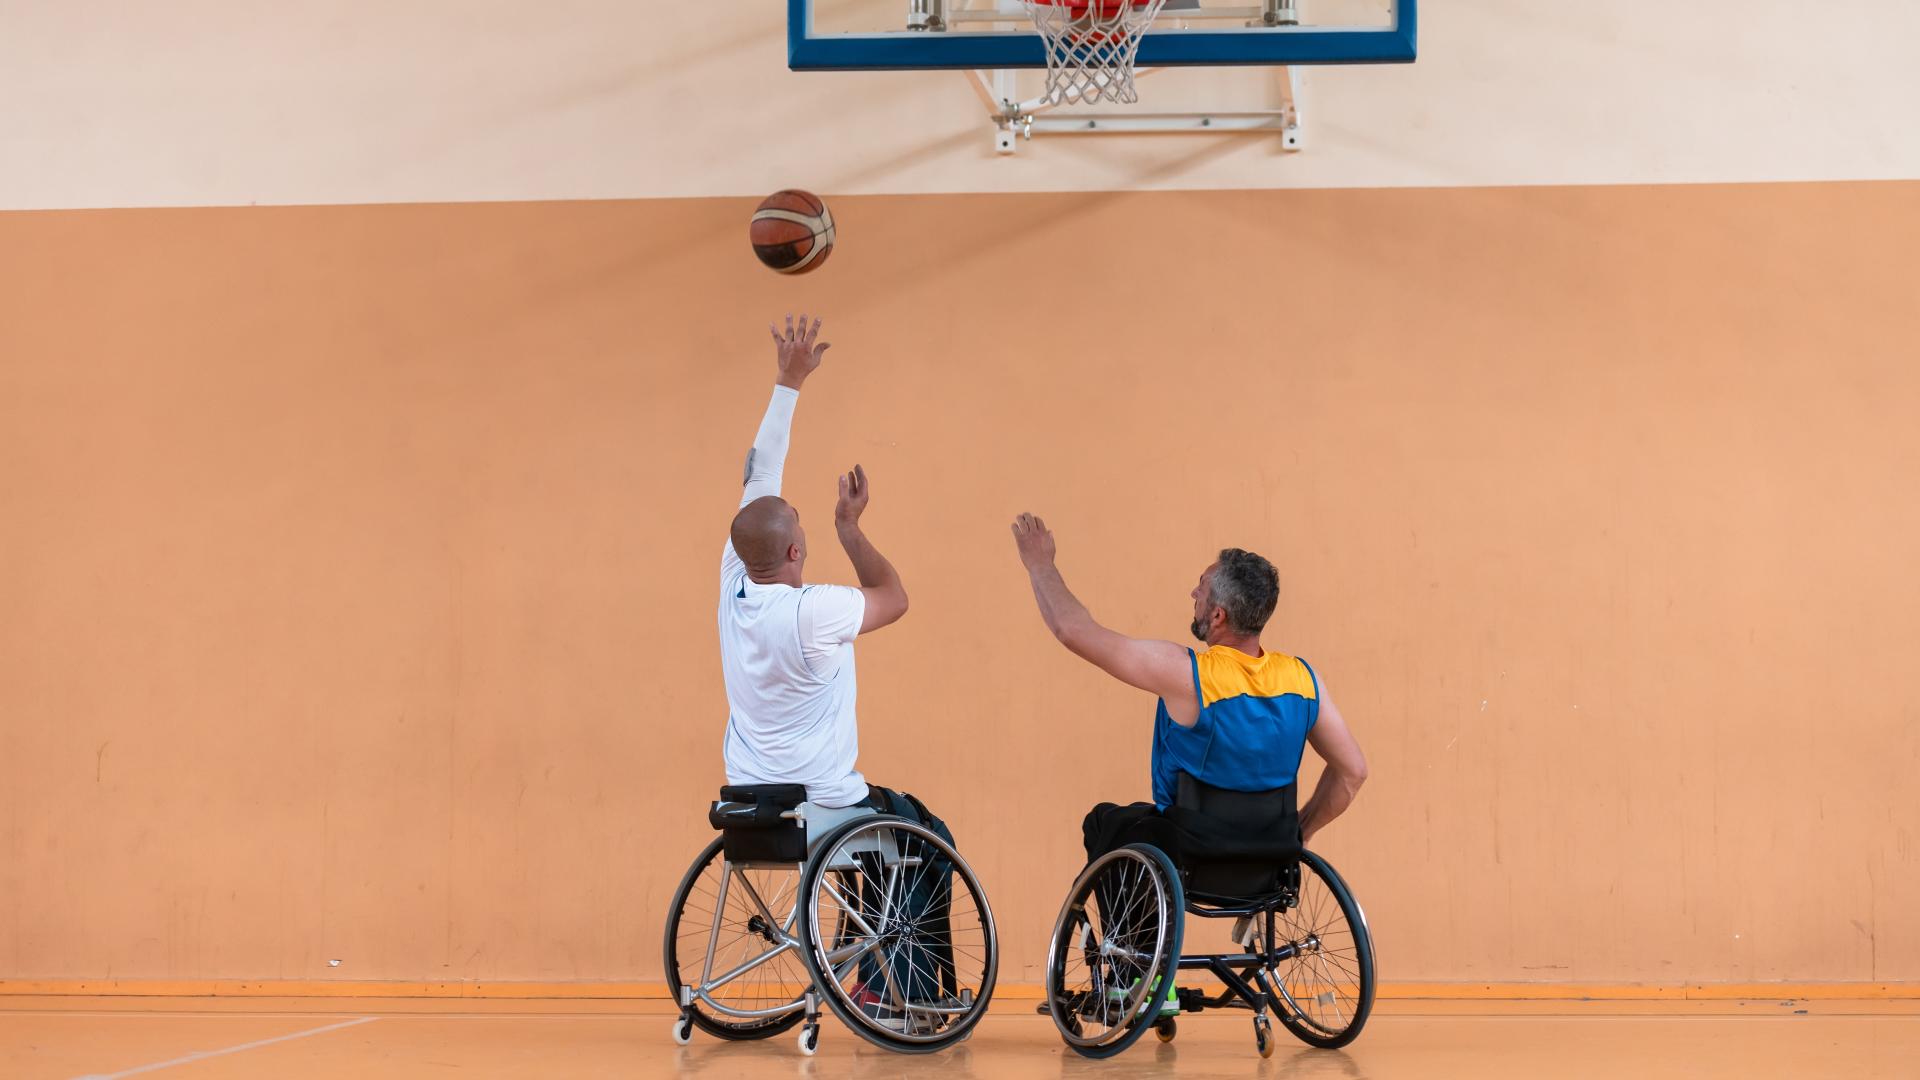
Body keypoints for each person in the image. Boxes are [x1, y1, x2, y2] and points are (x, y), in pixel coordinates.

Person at [717, 313, 954, 1021]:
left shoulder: (733, 582)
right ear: (795, 553)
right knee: (924, 834)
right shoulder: (813, 611)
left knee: (874, 833)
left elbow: (760, 472)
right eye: (803, 524)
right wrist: (852, 530)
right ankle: (894, 989)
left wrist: (788, 383)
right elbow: (896, 598)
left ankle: (863, 953)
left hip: (749, 804)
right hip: (823, 808)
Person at [1008, 512, 1369, 866]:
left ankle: (1130, 930)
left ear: (1218, 616)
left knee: (1105, 822)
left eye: (1203, 585)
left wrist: (1040, 564)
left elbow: (1073, 631)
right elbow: (1353, 772)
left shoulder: (1188, 673)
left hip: (1192, 853)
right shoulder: (1304, 681)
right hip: (1270, 853)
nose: (1193, 592)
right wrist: (1300, 834)